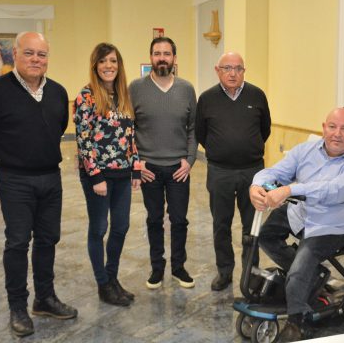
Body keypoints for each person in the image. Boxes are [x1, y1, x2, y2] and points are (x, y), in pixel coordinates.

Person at [0, 31, 77, 337]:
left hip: (50, 178)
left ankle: (44, 298)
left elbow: (58, 126)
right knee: (17, 243)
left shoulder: (57, 92)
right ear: (14, 54)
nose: (36, 59)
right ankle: (18, 306)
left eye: (42, 54)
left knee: (48, 239)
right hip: (14, 180)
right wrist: (6, 154)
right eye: (29, 53)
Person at [249, 108, 344, 341]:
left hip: (336, 223)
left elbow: (332, 190)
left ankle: (297, 322)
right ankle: (313, 275)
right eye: (332, 127)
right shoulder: (305, 150)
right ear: (323, 128)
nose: (337, 134)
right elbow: (276, 172)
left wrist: (289, 189)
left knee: (300, 266)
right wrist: (257, 185)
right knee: (266, 236)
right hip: (304, 211)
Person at [196, 52, 271, 291]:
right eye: (227, 68)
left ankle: (251, 273)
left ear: (243, 71)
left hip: (252, 172)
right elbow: (200, 133)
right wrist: (221, 150)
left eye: (238, 68)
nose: (232, 73)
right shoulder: (206, 99)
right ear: (217, 70)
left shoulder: (257, 95)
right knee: (221, 225)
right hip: (220, 172)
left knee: (252, 226)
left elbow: (265, 129)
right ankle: (224, 272)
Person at [73, 43, 141, 307]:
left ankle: (112, 279)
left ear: (119, 65)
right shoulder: (87, 96)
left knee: (121, 226)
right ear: (95, 66)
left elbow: (130, 136)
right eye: (102, 61)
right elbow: (84, 140)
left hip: (122, 174)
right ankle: (103, 284)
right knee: (99, 228)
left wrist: (135, 168)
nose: (108, 66)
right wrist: (95, 177)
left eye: (112, 60)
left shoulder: (123, 96)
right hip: (98, 176)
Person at [129, 37, 197, 289]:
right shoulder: (135, 88)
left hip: (179, 169)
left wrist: (189, 161)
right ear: (151, 57)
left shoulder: (186, 89)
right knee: (154, 220)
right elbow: (128, 129)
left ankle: (179, 267)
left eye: (166, 53)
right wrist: (137, 164)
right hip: (150, 169)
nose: (162, 58)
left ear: (174, 58)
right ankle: (157, 268)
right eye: (157, 53)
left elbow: (193, 128)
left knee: (179, 220)